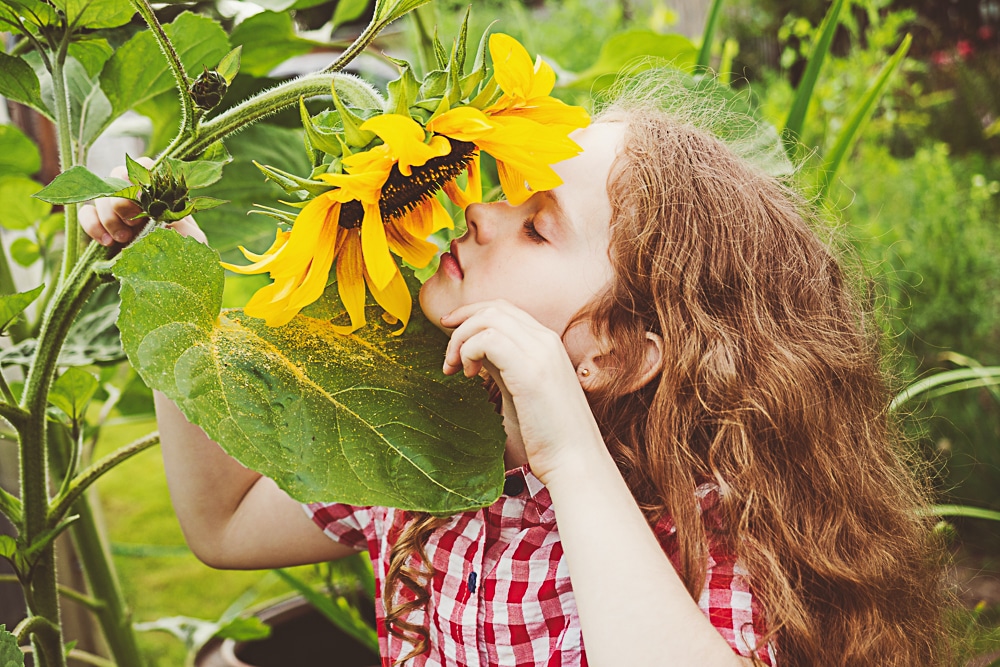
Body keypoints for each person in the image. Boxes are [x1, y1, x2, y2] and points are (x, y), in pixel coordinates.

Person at [80, 82, 949, 666]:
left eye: (538, 227)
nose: (482, 211)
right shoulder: (424, 445)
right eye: (508, 187)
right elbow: (225, 525)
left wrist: (569, 455)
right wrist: (170, 262)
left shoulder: (708, 523)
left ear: (617, 347)